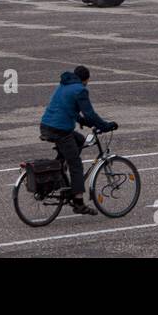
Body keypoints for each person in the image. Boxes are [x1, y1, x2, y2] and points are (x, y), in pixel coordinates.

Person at [39, 65, 118, 215]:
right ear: (86, 79)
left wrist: (82, 121)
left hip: (46, 126)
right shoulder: (80, 90)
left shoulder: (63, 85)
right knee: (76, 164)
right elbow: (91, 114)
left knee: (80, 139)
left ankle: (60, 170)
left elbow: (67, 108)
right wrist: (106, 126)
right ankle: (78, 202)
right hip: (60, 130)